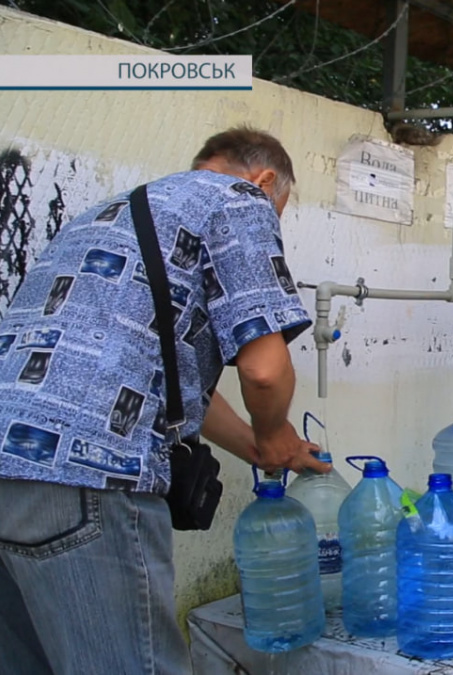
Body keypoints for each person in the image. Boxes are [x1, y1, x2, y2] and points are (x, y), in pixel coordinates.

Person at [0, 127, 329, 675]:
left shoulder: (105, 214)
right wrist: (274, 432)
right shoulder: (239, 198)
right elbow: (264, 371)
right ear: (265, 179)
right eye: (282, 209)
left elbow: (174, 389)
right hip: (85, 467)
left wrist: (265, 449)